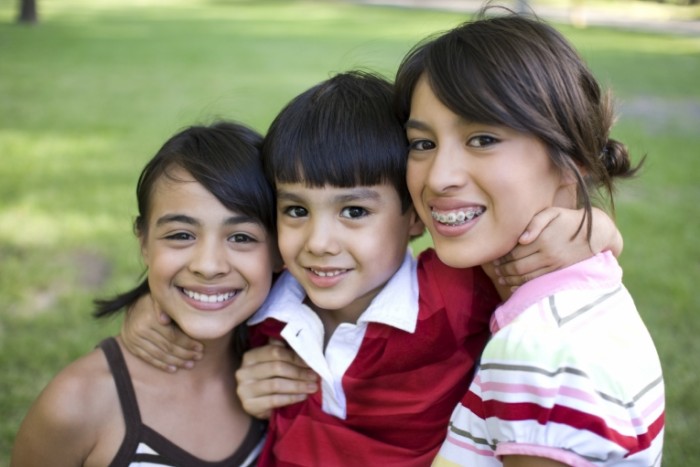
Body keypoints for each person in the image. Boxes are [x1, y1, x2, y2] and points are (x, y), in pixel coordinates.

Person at [121, 71, 623, 466]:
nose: (318, 244)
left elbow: (554, 257)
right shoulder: (269, 304)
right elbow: (209, 276)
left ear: (415, 216)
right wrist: (151, 306)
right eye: (295, 210)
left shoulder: (457, 291)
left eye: (355, 212)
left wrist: (596, 227)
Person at [393, 11, 665, 465]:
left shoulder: (543, 353)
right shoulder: (580, 299)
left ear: (572, 159)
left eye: (482, 138)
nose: (438, 178)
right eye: (422, 144)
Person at [11, 122, 278, 467]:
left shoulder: (293, 370)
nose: (208, 265)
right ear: (144, 243)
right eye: (181, 235)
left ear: (279, 250)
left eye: (241, 237)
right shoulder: (77, 405)